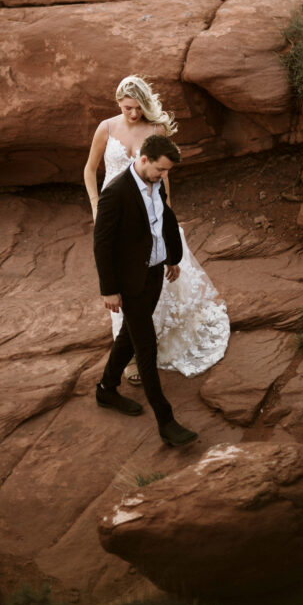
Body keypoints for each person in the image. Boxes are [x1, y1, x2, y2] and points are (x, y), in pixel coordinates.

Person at [84, 75, 229, 381]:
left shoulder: (156, 130)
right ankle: (133, 354)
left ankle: (154, 340)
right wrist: (96, 206)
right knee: (123, 282)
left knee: (152, 281)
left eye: (138, 108)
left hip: (149, 214)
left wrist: (167, 221)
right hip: (116, 218)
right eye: (127, 108)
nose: (133, 114)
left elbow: (163, 179)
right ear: (118, 103)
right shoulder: (106, 128)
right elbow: (89, 170)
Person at [93, 134, 197, 446]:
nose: (163, 177)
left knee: (130, 334)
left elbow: (164, 219)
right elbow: (102, 244)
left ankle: (106, 389)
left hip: (153, 273)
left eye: (166, 172)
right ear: (143, 159)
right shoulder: (116, 193)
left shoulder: (156, 183)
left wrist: (172, 257)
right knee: (146, 347)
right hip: (129, 282)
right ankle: (166, 421)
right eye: (160, 170)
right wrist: (109, 290)